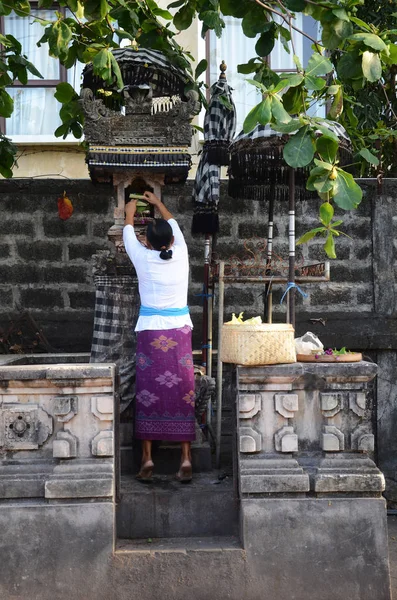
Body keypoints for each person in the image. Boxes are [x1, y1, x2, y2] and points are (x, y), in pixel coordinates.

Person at [123, 191, 195, 483]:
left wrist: (130, 210)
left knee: (148, 393)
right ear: (172, 241)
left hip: (150, 332)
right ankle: (186, 458)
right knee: (183, 392)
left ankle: (147, 457)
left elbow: (127, 231)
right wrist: (158, 204)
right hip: (179, 331)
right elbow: (174, 223)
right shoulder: (182, 253)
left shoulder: (143, 258)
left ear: (147, 243)